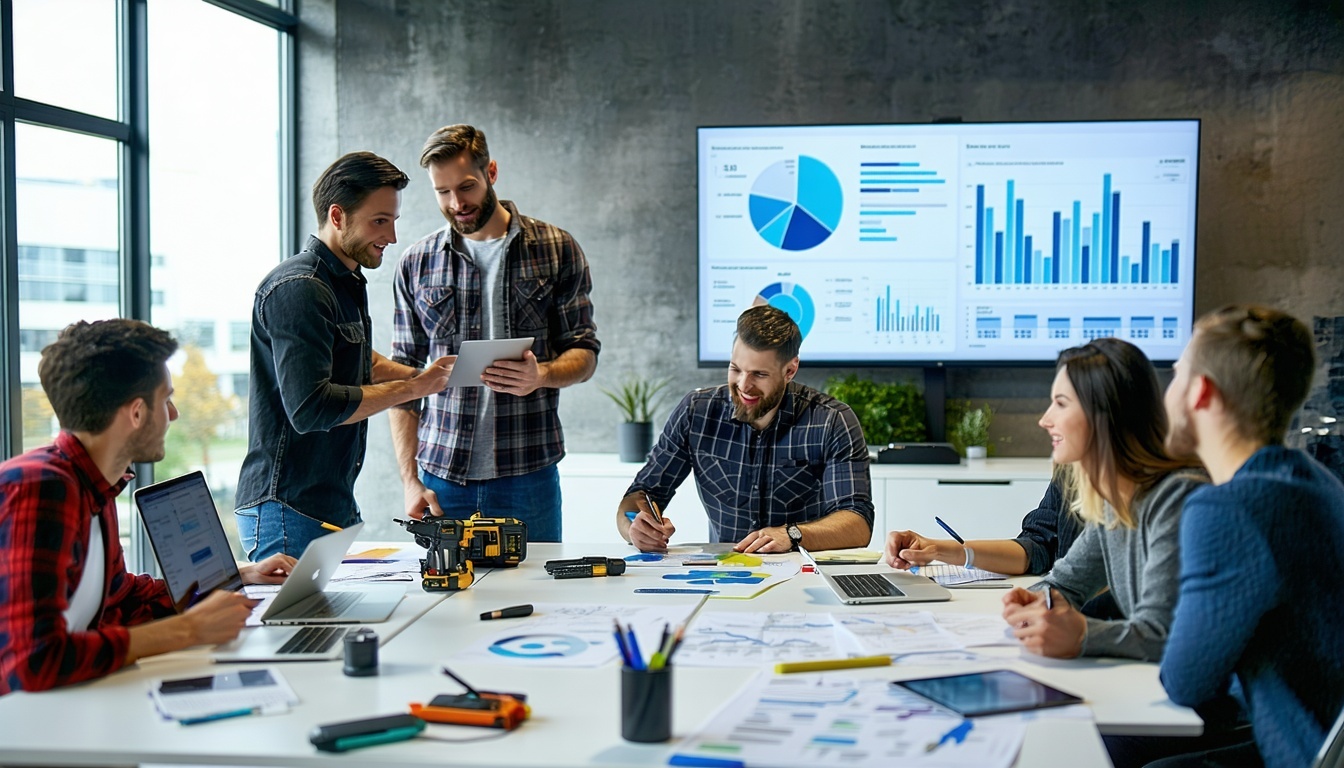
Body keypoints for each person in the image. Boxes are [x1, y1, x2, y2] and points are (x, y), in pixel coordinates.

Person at [0, 319, 295, 695]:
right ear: (137, 413)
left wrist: (239, 577)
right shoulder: (41, 488)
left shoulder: (93, 483)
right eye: (166, 400)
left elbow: (122, 597)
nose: (173, 415)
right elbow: (33, 660)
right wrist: (187, 629)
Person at [1151, 306, 1344, 768]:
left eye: (1176, 374)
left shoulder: (1228, 509)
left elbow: (1187, 682)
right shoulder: (1319, 482)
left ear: (1201, 392)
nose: (1167, 391)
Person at [235, 152, 453, 560]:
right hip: (288, 509)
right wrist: (414, 387)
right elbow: (312, 408)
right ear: (338, 216)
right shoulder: (300, 288)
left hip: (326, 504)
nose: (390, 236)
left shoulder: (344, 281)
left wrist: (435, 377)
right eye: (379, 221)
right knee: (296, 627)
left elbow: (360, 361)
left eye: (393, 221)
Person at [390, 125, 600, 542]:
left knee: (535, 600)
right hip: (442, 477)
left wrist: (541, 375)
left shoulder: (557, 248)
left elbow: (585, 353)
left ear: (492, 172)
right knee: (448, 602)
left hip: (528, 476)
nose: (456, 203)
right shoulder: (416, 262)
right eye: (442, 192)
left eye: (466, 187)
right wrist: (410, 480)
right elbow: (402, 376)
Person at [999, 337, 1206, 662]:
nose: (1045, 419)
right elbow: (1063, 584)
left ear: (1106, 414)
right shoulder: (1115, 499)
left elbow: (1163, 633)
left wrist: (1082, 634)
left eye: (1062, 403)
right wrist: (1033, 602)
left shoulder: (1177, 498)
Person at [617, 305, 874, 554]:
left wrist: (791, 534)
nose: (743, 385)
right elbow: (640, 494)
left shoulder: (831, 420)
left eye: (759, 374)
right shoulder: (696, 411)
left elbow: (858, 523)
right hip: (726, 575)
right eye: (735, 369)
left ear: (790, 370)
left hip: (803, 573)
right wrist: (634, 528)